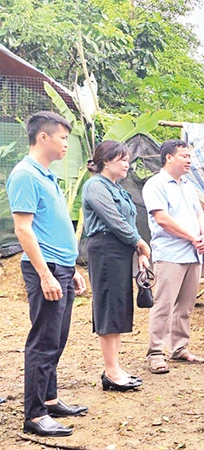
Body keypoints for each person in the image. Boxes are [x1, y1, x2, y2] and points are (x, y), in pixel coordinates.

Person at [7, 111, 88, 437]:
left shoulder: (46, 175)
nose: (67, 143)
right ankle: (35, 414)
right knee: (43, 341)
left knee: (57, 338)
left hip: (62, 267)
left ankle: (50, 399)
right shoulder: (25, 174)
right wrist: (46, 274)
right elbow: (23, 230)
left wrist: (72, 269)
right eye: (63, 137)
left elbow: (50, 226)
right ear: (44, 137)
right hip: (46, 269)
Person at [82, 140, 151, 392]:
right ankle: (111, 371)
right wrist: (140, 243)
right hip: (105, 249)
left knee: (119, 307)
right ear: (107, 160)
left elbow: (128, 224)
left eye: (128, 160)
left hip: (120, 250)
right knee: (109, 307)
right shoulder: (95, 187)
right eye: (122, 159)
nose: (127, 164)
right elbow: (114, 220)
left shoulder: (117, 188)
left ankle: (115, 367)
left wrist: (138, 251)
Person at [142, 139, 204, 374]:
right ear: (169, 158)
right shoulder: (156, 184)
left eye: (189, 156)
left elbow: (200, 214)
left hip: (193, 254)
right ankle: (156, 353)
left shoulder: (188, 186)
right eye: (184, 156)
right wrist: (193, 236)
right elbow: (162, 219)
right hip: (170, 254)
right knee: (164, 304)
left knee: (186, 306)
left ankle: (179, 347)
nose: (189, 160)